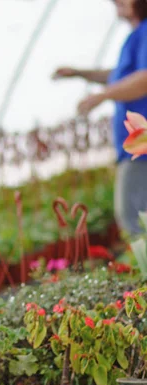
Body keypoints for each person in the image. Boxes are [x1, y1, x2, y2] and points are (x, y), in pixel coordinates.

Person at [53, 0, 147, 235]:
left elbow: (144, 79)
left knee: (133, 217)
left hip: (142, 144)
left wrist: (102, 96)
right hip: (135, 144)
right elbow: (119, 76)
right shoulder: (137, 36)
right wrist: (79, 73)